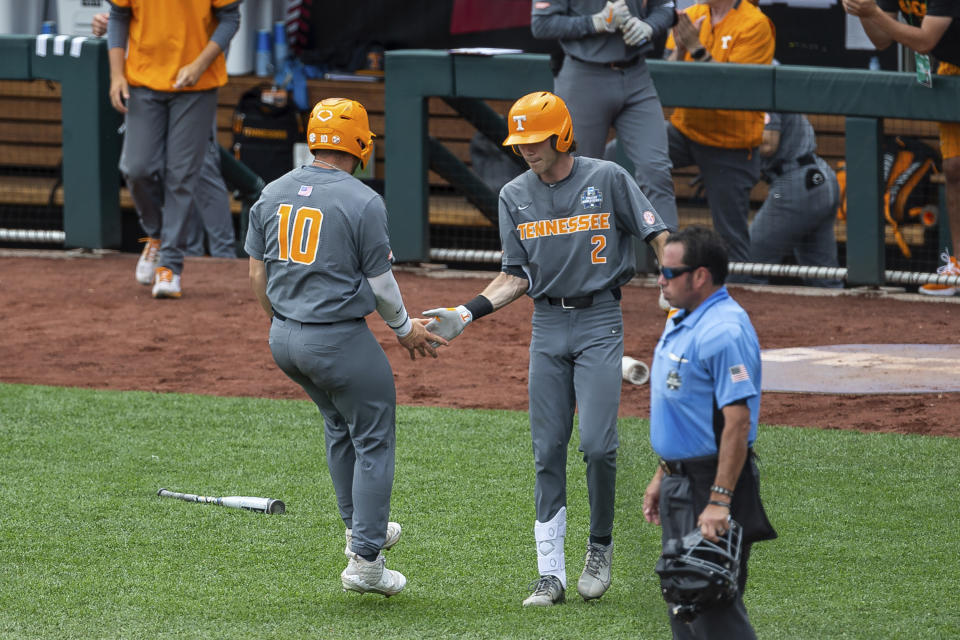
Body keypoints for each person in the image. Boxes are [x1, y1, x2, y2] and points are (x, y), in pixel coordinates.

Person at [423, 91, 669, 607]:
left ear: (560, 136)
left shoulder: (606, 178)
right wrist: (466, 313)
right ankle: (549, 573)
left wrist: (676, 291)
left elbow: (657, 234)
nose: (525, 151)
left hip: (601, 319)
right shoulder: (513, 194)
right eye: (519, 143)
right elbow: (515, 276)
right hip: (547, 326)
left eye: (534, 141)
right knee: (547, 449)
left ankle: (598, 546)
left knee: (599, 446)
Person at [245, 97, 447, 596]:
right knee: (374, 440)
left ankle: (359, 531)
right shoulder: (362, 201)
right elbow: (381, 283)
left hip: (284, 340)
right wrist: (405, 331)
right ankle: (366, 561)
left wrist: (286, 324)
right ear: (360, 142)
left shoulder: (271, 191)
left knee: (339, 427)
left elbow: (257, 274)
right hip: (337, 341)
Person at [644, 225, 776, 639]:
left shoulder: (724, 331)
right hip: (680, 481)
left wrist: (719, 501)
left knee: (714, 608)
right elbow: (687, 412)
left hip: (711, 484)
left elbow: (737, 422)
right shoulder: (682, 318)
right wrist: (662, 474)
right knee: (683, 603)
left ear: (699, 276)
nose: (660, 280)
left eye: (669, 273)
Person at [106, 0, 240, 298]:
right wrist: (116, 75)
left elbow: (230, 18)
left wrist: (199, 64)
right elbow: (118, 15)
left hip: (196, 84)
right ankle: (156, 234)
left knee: (181, 175)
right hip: (142, 80)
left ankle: (170, 266)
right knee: (135, 168)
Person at [842, 0, 960, 295]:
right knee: (955, 168)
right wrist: (862, 12)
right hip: (954, 68)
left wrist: (873, 13)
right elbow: (881, 39)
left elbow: (924, 41)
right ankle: (958, 265)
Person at [531, 0, 679, 232]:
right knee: (576, 174)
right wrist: (595, 22)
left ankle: (670, 263)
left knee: (655, 168)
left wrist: (649, 26)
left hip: (636, 75)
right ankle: (576, 259)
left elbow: (666, 8)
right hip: (583, 74)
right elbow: (542, 24)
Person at [663, 0, 775, 270]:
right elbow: (667, 76)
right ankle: (647, 253)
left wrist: (696, 48)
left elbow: (733, 90)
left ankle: (736, 300)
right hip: (685, 129)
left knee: (731, 239)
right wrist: (680, 47)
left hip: (731, 142)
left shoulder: (756, 24)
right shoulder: (690, 15)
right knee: (620, 154)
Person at [747, 110, 842, 288]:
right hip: (816, 177)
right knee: (822, 277)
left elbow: (768, 143)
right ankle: (839, 315)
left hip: (794, 182)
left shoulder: (761, 88)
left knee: (745, 267)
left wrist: (726, 152)